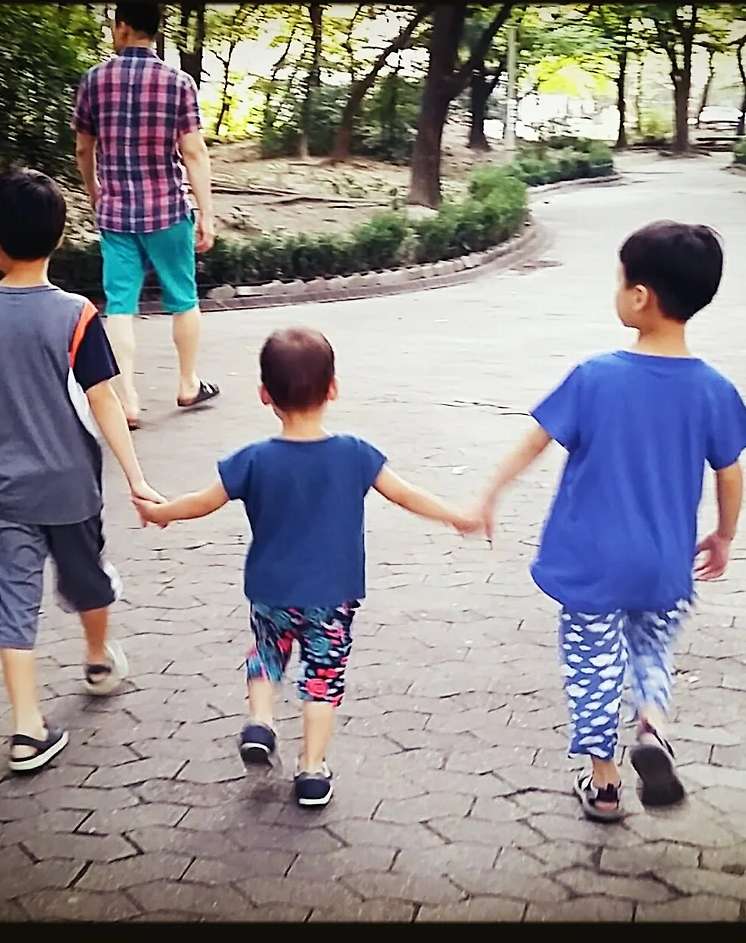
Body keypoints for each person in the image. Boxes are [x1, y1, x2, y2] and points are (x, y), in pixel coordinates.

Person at [475, 221, 746, 820]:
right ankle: (652, 724)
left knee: (593, 669)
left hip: (593, 564)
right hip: (665, 564)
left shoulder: (596, 376)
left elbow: (537, 439)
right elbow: (730, 473)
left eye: (619, 281)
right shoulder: (713, 388)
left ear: (640, 296)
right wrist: (724, 535)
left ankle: (604, 786)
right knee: (651, 652)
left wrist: (491, 492)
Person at [134, 327, 484, 808]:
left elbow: (202, 501)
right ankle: (312, 770)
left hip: (271, 591)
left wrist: (162, 512)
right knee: (322, 677)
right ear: (333, 388)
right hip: (332, 596)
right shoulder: (355, 453)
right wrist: (456, 515)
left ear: (264, 394)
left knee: (266, 652)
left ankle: (261, 720)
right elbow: (404, 494)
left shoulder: (253, 459)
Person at [0, 168, 165, 773]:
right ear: (60, 238)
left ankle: (25, 730)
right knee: (87, 579)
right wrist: (136, 477)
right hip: (72, 490)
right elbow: (103, 399)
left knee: (13, 602)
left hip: (3, 495)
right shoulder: (77, 315)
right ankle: (97, 659)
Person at [73, 2, 219, 429]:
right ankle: (188, 383)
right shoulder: (178, 82)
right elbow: (194, 152)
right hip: (168, 209)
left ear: (122, 27)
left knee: (120, 305)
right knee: (183, 298)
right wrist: (206, 214)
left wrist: (94, 190)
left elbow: (83, 148)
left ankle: (128, 401)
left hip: (116, 212)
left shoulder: (94, 80)